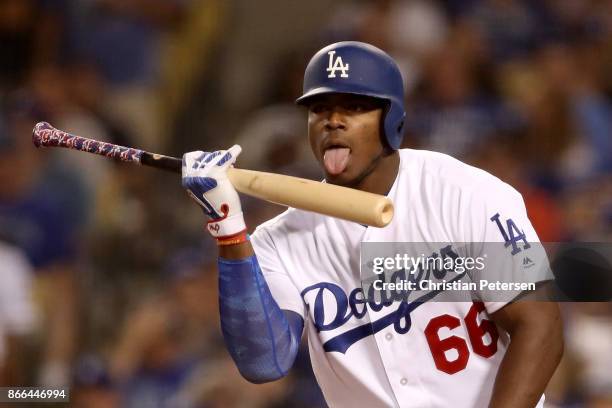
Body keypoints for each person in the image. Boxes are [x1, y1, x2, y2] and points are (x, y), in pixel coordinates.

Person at [181, 41, 563, 407]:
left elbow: (540, 328)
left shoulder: (463, 193)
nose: (333, 120)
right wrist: (228, 228)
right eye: (320, 108)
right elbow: (264, 363)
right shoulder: (278, 242)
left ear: (391, 119)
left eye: (354, 107)